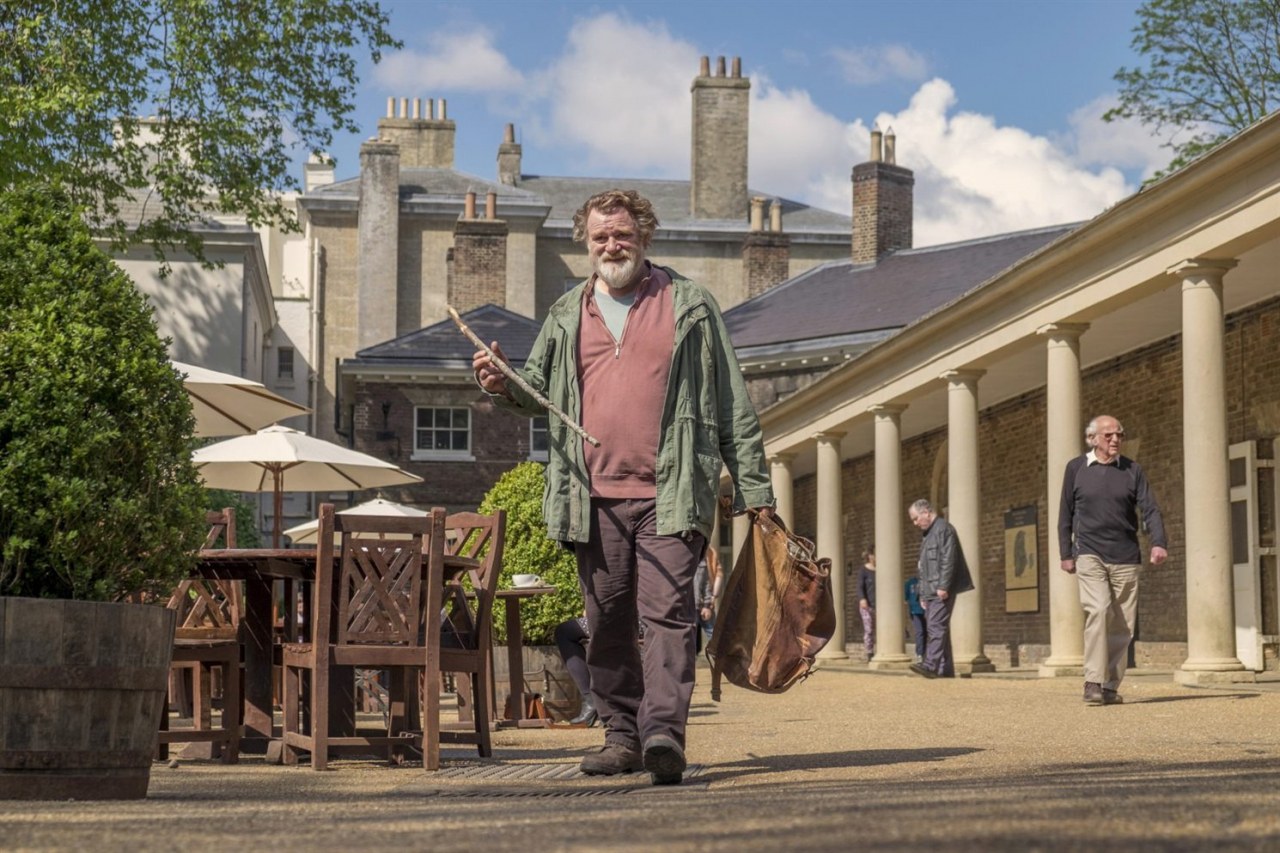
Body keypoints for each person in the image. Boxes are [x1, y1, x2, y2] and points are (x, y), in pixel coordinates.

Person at [472, 188, 775, 785]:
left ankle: (665, 733)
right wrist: (497, 381)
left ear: (645, 237)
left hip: (672, 490)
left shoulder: (689, 304)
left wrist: (755, 489)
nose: (612, 245)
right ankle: (622, 735)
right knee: (605, 619)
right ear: (586, 243)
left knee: (669, 614)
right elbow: (536, 392)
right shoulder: (565, 312)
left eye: (622, 234)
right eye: (600, 236)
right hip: (591, 498)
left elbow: (731, 402)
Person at [1058, 414, 1167, 707]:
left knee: (1122, 625)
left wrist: (1158, 542)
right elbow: (1065, 514)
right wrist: (1066, 554)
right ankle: (1092, 680)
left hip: (1126, 555)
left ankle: (1109, 685)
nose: (1116, 439)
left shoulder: (1132, 470)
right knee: (1098, 609)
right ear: (1092, 439)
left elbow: (1150, 509)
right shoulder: (1076, 469)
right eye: (1109, 436)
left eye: (1119, 434)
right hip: (1090, 553)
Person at [907, 498, 974, 678]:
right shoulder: (928, 534)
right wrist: (922, 593)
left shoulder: (944, 529)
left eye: (915, 518)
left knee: (936, 627)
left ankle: (930, 665)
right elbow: (923, 566)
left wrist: (944, 585)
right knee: (939, 628)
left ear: (926, 512)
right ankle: (946, 669)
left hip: (940, 589)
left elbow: (949, 559)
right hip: (930, 590)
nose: (915, 523)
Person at [553, 614, 598, 727]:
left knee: (564, 632)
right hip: (643, 617)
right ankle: (595, 700)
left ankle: (591, 699)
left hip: (624, 619)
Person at [693, 547, 723, 651]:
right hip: (688, 606)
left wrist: (709, 603)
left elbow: (709, 581)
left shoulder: (707, 554)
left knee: (714, 637)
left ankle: (721, 662)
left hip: (702, 604)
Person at [856, 546, 876, 660]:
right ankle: (869, 652)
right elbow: (859, 586)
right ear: (870, 556)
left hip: (879, 605)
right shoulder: (863, 570)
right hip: (867, 605)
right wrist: (862, 598)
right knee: (869, 629)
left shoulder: (880, 569)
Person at [904, 575, 926, 662]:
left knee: (928, 632)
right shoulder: (910, 583)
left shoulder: (928, 580)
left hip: (928, 610)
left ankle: (926, 653)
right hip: (915, 611)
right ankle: (920, 654)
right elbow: (905, 598)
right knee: (919, 631)